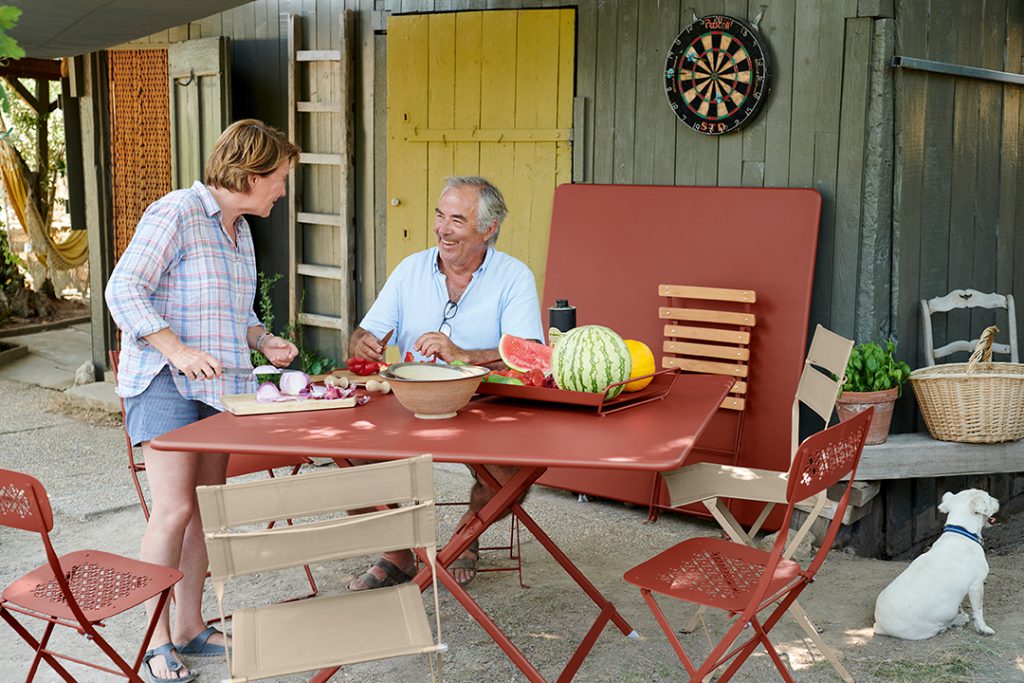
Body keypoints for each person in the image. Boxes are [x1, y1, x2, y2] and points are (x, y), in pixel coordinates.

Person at [105, 119, 300, 682]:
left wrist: (264, 339)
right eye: (279, 179)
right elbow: (124, 289)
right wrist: (178, 349)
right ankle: (154, 640)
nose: (283, 191)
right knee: (174, 509)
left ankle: (190, 627)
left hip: (220, 384)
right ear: (249, 173)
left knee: (205, 513)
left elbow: (234, 316)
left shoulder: (239, 230)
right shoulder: (177, 213)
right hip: (165, 379)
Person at [348, 175, 543, 590]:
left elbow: (529, 352)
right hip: (410, 402)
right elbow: (364, 334)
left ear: (488, 230)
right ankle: (398, 552)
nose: (442, 228)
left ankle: (464, 537)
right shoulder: (409, 269)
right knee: (347, 456)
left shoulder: (514, 276)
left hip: (486, 404)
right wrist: (364, 344)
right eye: (440, 216)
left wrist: (464, 355)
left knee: (514, 472)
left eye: (457, 220)